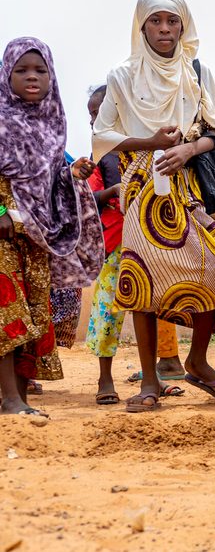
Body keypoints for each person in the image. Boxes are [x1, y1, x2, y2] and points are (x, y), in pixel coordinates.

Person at [92, 0, 215, 412]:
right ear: (141, 26)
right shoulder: (121, 76)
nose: (165, 30)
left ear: (184, 26)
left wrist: (187, 150)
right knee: (140, 282)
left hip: (185, 188)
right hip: (141, 188)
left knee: (211, 270)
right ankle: (149, 382)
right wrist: (150, 142)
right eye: (156, 22)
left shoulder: (196, 72)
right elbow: (102, 135)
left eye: (172, 22)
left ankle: (197, 360)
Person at [0, 37, 103, 415]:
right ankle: (10, 398)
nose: (32, 77)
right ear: (5, 74)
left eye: (40, 70)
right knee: (7, 309)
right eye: (22, 70)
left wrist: (70, 175)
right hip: (4, 230)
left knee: (32, 310)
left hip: (35, 234)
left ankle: (20, 399)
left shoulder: (51, 123)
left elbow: (47, 178)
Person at [84, 86, 185, 404]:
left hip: (147, 242)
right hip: (113, 243)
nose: (93, 122)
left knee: (149, 309)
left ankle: (153, 376)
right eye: (91, 116)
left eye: (99, 115)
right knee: (107, 311)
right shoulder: (99, 157)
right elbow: (86, 198)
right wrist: (114, 190)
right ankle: (105, 378)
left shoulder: (149, 151)